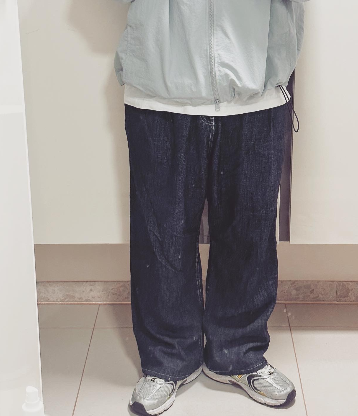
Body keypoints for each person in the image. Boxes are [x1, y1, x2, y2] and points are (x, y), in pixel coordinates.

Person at [113, 1, 308, 414]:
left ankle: (239, 354)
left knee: (250, 234)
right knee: (160, 237)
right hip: (161, 86)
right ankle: (167, 360)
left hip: (256, 85)